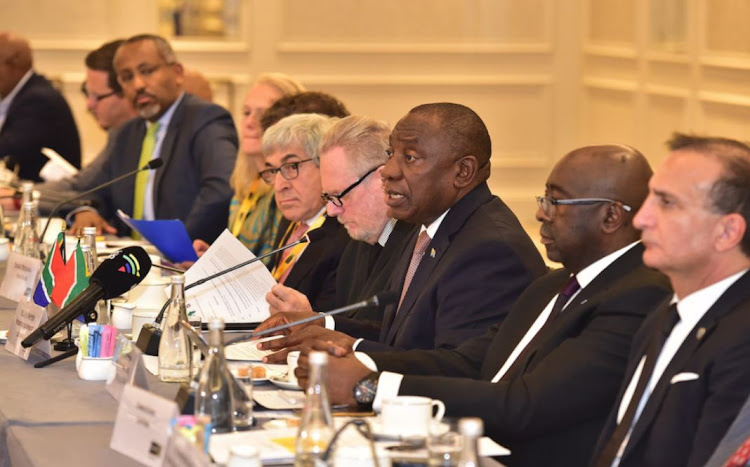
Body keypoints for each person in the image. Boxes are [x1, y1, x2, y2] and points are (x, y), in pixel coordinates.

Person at [294, 144, 671, 467]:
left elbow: (526, 406)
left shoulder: (636, 294)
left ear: (611, 216)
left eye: (555, 202)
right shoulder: (554, 284)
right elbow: (470, 362)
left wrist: (369, 386)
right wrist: (349, 354)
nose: (541, 213)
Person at [263, 103, 546, 357]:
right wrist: (323, 324)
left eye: (409, 158)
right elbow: (398, 340)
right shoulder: (429, 229)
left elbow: (462, 367)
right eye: (391, 154)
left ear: (463, 172)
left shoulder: (489, 249)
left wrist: (353, 350)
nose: (388, 171)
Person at [590, 134, 750, 467]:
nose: (641, 219)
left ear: (727, 232)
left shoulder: (743, 339)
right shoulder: (666, 313)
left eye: (667, 202)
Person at [253, 116, 415, 362]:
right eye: (328, 198)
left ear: (381, 179)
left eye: (339, 196)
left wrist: (317, 324)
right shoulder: (357, 245)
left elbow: (399, 344)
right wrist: (314, 323)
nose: (331, 211)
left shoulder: (417, 246)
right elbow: (358, 329)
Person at [66, 34, 238, 242]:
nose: (138, 84)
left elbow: (220, 191)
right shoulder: (128, 133)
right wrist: (85, 210)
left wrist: (177, 244)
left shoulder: (206, 119)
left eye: (147, 71)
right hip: (132, 260)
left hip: (184, 260)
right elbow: (94, 189)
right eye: (127, 77)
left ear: (177, 73)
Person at [191, 73, 305, 260]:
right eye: (246, 112)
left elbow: (274, 269)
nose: (250, 122)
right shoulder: (244, 185)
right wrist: (212, 261)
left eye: (263, 114)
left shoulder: (290, 191)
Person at [261, 113, 350, 311]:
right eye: (273, 171)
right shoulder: (291, 223)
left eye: (291, 166)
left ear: (325, 165)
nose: (279, 185)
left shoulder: (347, 233)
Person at [34, 39, 137, 205]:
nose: (89, 105)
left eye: (97, 96)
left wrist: (22, 196)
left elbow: (85, 187)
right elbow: (92, 192)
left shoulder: (134, 134)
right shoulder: (119, 132)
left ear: (126, 92)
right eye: (87, 93)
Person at [0, 31, 81, 182]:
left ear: (14, 63)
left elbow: (6, 150)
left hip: (48, 197)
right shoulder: (22, 94)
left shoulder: (39, 100)